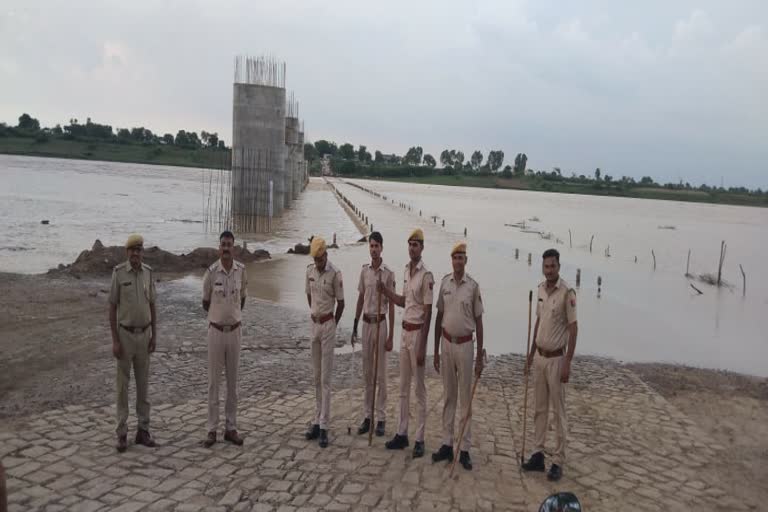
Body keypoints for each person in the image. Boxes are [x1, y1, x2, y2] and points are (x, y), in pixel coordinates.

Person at [522, 248, 578, 482]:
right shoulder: (540, 290)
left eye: (553, 266)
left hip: (556, 359)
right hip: (540, 358)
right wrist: (530, 353)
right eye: (546, 266)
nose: (549, 270)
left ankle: (557, 460)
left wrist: (568, 362)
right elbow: (538, 321)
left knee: (559, 412)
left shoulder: (567, 293)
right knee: (539, 409)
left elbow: (574, 328)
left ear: (558, 267)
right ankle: (538, 454)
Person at [378, 228, 433, 458]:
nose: (412, 248)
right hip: (404, 332)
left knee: (419, 390)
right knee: (403, 388)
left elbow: (428, 312)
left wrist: (423, 345)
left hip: (418, 333)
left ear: (422, 248)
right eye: (410, 244)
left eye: (416, 244)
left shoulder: (426, 276)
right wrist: (386, 292)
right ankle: (402, 433)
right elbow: (404, 301)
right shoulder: (405, 271)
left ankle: (419, 437)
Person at [431, 242, 484, 470]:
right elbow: (439, 316)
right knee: (448, 396)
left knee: (465, 399)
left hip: (465, 346)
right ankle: (446, 443)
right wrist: (434, 349)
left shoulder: (473, 287)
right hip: (446, 344)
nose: (458, 261)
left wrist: (480, 355)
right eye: (455, 258)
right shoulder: (444, 283)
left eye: (461, 258)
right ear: (451, 260)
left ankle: (464, 449)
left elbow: (479, 321)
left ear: (466, 260)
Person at [109, 233, 157, 453]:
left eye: (139, 250)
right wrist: (115, 340)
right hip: (125, 336)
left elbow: (153, 305)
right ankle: (121, 433)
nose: (136, 253)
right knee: (122, 388)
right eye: (132, 250)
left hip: (144, 335)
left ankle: (143, 431)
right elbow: (111, 308)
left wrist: (154, 335)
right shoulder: (119, 274)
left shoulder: (148, 273)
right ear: (127, 252)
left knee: (143, 387)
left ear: (142, 252)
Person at [202, 231, 248, 447]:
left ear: (234, 247)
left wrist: (232, 316)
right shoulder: (211, 273)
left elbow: (243, 298)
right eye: (223, 245)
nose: (226, 248)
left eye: (229, 244)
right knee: (213, 383)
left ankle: (231, 428)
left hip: (235, 332)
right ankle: (211, 429)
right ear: (219, 247)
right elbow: (205, 302)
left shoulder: (241, 271)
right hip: (216, 332)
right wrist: (219, 317)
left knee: (233, 383)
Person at [352, 231, 395, 437]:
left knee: (381, 374)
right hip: (366, 323)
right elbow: (361, 298)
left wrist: (391, 335)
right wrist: (354, 323)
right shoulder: (364, 271)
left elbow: (393, 305)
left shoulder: (388, 273)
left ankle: (381, 418)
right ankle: (367, 416)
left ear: (382, 248)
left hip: (381, 323)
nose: (374, 249)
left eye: (377, 246)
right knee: (367, 372)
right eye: (371, 246)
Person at [304, 237, 345, 448]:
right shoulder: (309, 271)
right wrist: (315, 313)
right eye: (315, 259)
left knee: (326, 379)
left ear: (326, 255)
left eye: (320, 259)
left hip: (328, 324)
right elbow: (309, 296)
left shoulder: (335, 273)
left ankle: (325, 425)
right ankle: (316, 419)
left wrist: (333, 323)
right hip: (314, 325)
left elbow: (342, 302)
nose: (318, 263)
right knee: (316, 377)